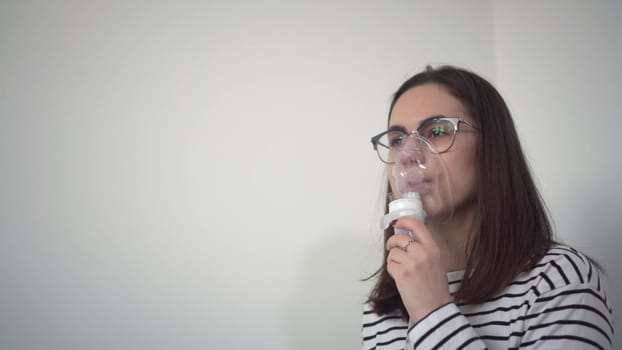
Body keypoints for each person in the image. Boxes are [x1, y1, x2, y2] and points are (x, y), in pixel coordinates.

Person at [362, 65, 613, 349]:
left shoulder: (557, 280)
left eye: (437, 131)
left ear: (490, 147)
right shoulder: (384, 308)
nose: (408, 155)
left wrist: (431, 311)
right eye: (397, 140)